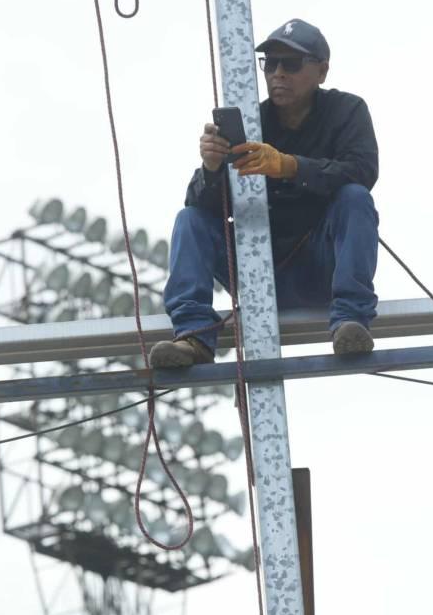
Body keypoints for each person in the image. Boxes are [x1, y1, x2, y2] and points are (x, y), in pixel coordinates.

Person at [149, 18, 380, 369]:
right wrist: (212, 168)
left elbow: (362, 171)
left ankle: (351, 321)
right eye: (271, 64)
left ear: (322, 71)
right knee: (190, 220)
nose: (278, 74)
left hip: (318, 268)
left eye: (291, 64)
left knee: (354, 198)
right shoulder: (252, 122)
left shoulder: (346, 111)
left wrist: (290, 166)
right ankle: (194, 336)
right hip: (255, 267)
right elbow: (201, 206)